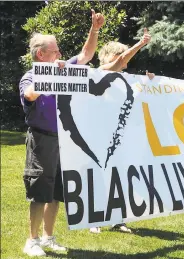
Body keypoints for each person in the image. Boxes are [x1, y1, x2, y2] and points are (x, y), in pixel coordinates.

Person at [19, 10, 104, 257]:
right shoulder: (30, 76)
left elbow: (87, 55)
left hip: (63, 140)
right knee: (39, 191)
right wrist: (50, 76)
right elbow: (30, 95)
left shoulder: (63, 69)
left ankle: (48, 237)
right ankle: (31, 240)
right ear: (41, 54)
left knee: (56, 192)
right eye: (56, 51)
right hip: (41, 139)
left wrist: (95, 29)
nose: (60, 55)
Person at [89, 28, 153, 234]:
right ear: (109, 57)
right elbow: (117, 65)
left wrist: (150, 84)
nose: (125, 60)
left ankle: (118, 218)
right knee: (99, 176)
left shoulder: (126, 78)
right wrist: (140, 44)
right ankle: (94, 219)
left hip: (121, 136)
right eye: (121, 56)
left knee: (119, 177)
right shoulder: (100, 73)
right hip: (99, 135)